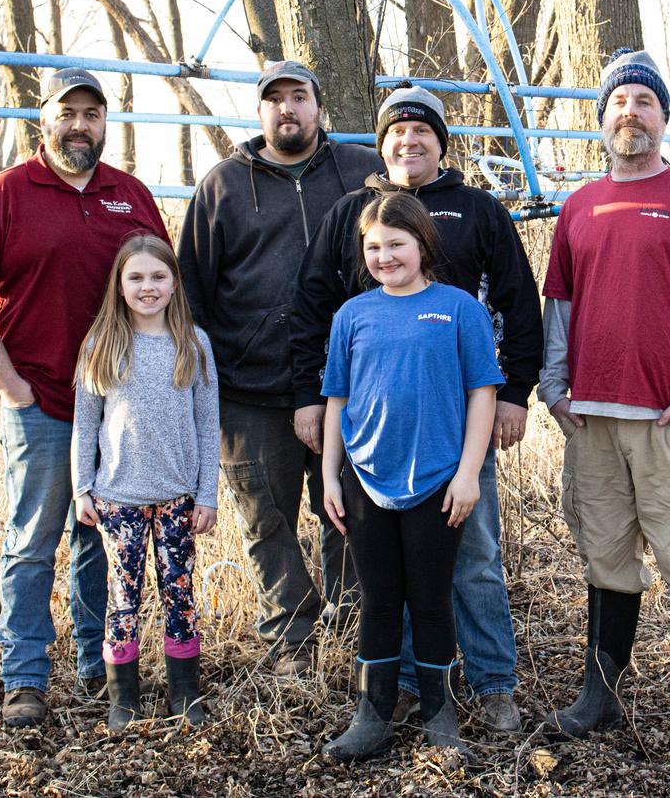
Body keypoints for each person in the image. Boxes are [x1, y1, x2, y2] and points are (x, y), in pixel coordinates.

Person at [290, 85, 542, 732]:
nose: (409, 142)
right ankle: (397, 684)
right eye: (396, 133)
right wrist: (308, 400)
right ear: (382, 144)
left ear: (440, 142)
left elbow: (519, 303)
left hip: (456, 430)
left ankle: (492, 682)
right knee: (386, 569)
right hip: (375, 437)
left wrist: (515, 392)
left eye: (421, 132)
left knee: (475, 556)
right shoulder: (353, 213)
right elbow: (315, 308)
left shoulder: (477, 209)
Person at [0, 67, 169, 728]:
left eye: (92, 114)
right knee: (33, 541)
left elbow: (160, 285)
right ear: (44, 120)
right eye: (67, 112)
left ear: (106, 123)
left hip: (117, 405)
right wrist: (9, 385)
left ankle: (100, 667)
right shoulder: (7, 193)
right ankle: (26, 679)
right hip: (39, 401)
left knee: (102, 537)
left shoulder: (131, 195)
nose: (80, 124)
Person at [538, 48, 670, 762]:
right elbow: (558, 304)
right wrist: (553, 386)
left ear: (663, 117)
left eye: (644, 102)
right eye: (620, 102)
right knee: (604, 556)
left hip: (669, 417)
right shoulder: (579, 206)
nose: (632, 112)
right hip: (593, 418)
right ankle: (599, 694)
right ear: (603, 120)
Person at [178, 61, 383, 674]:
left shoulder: (361, 171)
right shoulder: (222, 186)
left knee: (346, 509)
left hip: (349, 384)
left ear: (321, 109)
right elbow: (192, 289)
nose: (288, 109)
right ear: (261, 112)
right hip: (251, 387)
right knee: (264, 515)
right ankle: (291, 635)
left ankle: (354, 628)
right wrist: (205, 378)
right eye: (276, 100)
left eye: (300, 97)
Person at [320, 193, 503, 762]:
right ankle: (370, 716)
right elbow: (336, 400)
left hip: (438, 480)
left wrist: (469, 473)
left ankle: (439, 718)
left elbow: (483, 394)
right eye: (373, 247)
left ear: (423, 244)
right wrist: (330, 474)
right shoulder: (352, 315)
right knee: (377, 599)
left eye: (396, 244)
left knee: (430, 601)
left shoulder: (458, 310)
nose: (385, 256)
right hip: (366, 481)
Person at [71, 234, 218, 732]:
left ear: (175, 283)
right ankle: (124, 699)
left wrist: (208, 494)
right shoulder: (102, 344)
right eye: (135, 277)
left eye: (158, 276)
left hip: (178, 498)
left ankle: (184, 694)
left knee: (180, 593)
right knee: (122, 595)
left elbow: (207, 423)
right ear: (120, 284)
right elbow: (85, 425)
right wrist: (81, 488)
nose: (147, 287)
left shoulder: (194, 344)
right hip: (118, 499)